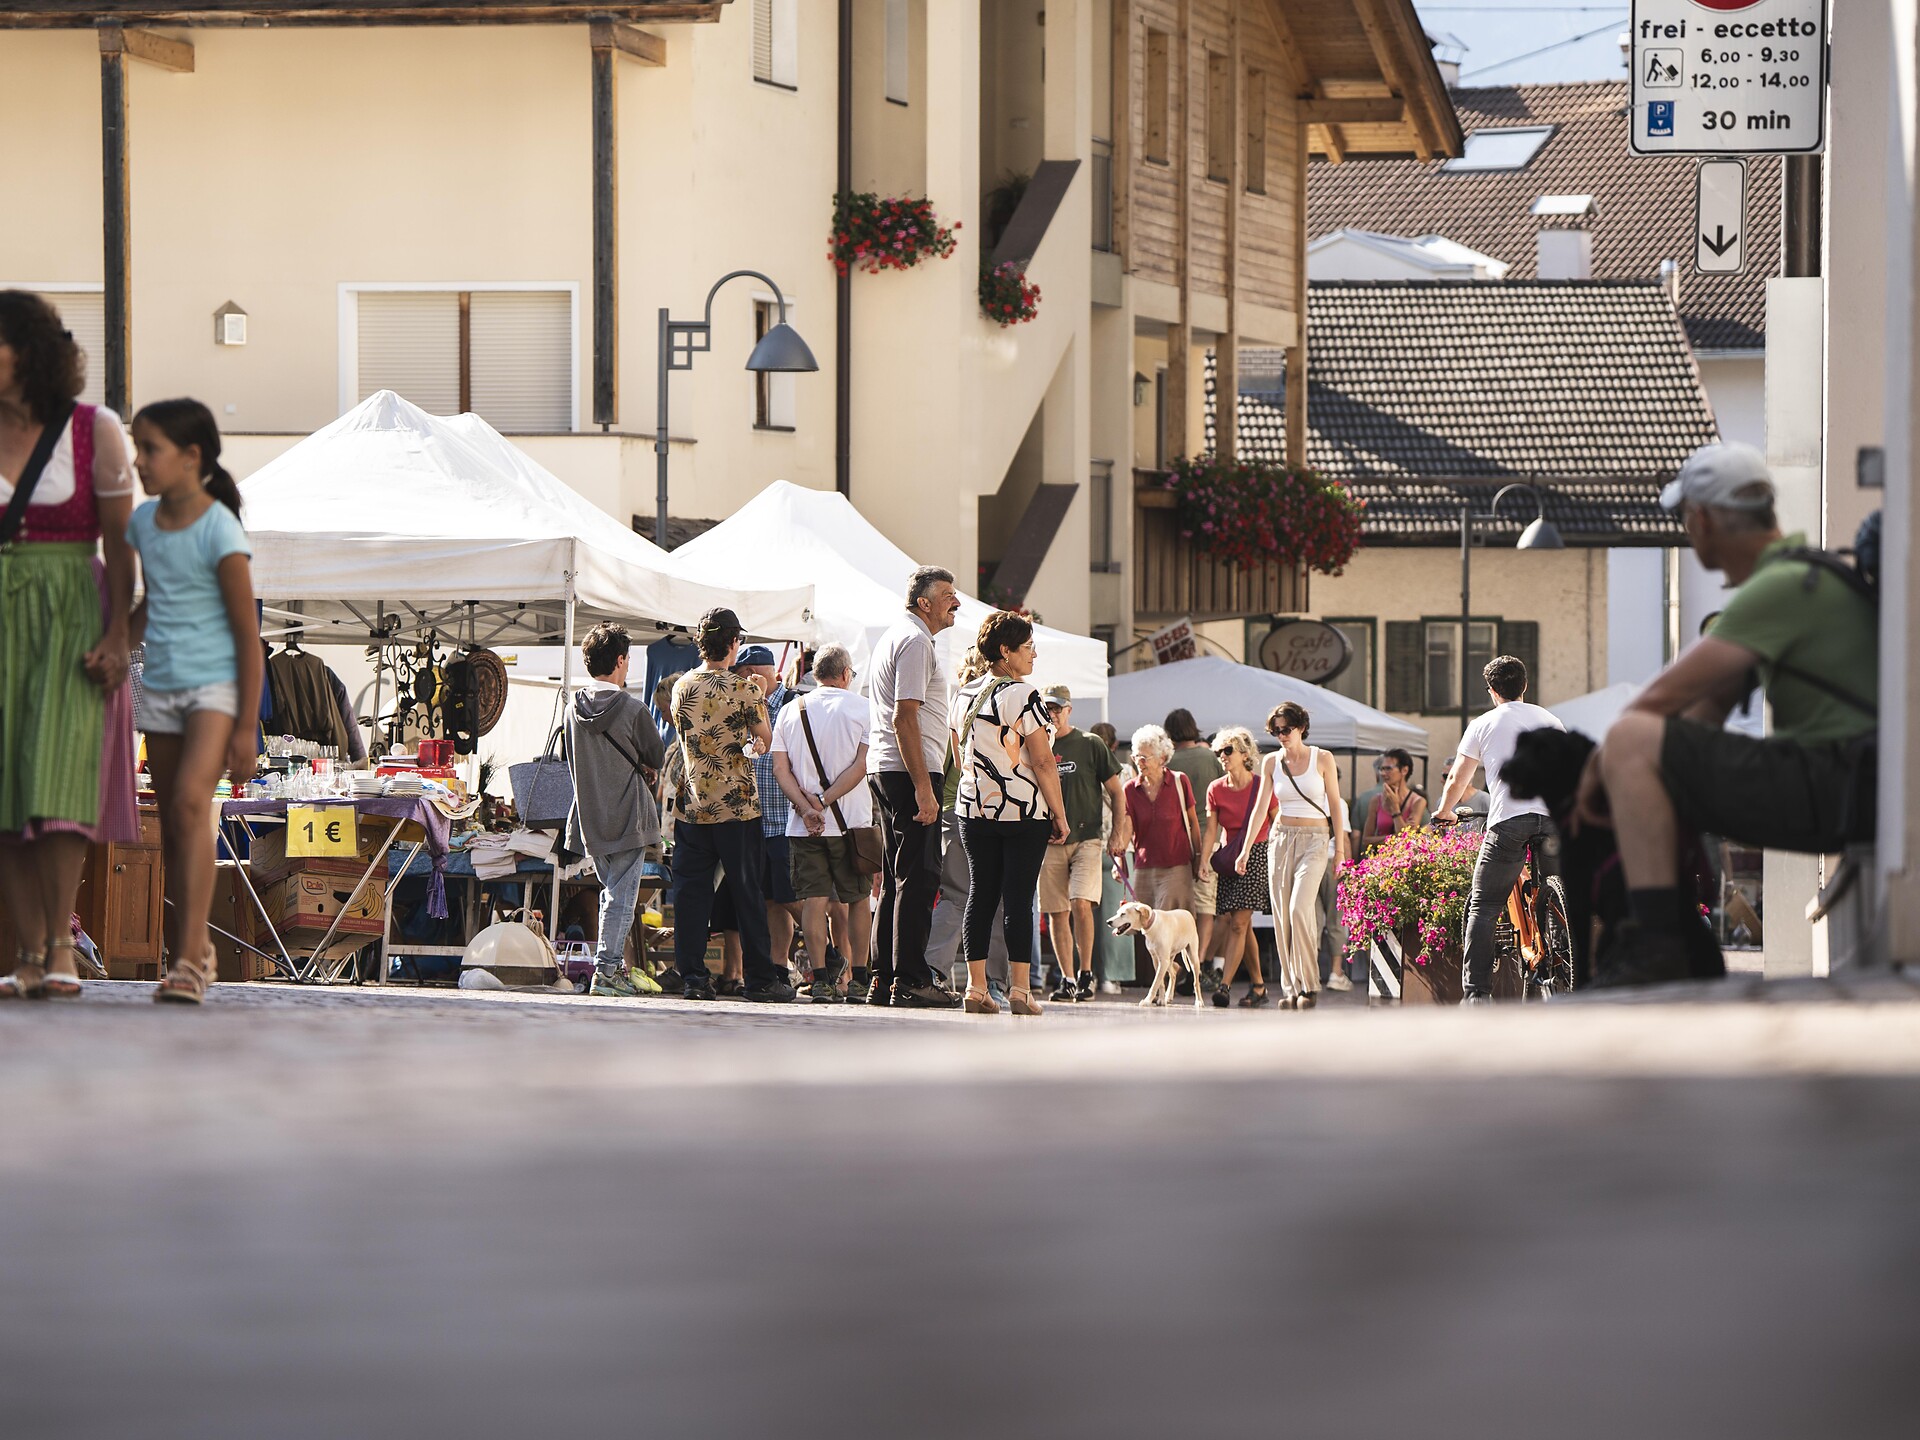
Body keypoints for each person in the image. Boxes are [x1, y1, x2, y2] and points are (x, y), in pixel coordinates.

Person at [1576, 443, 1880, 986]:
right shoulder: (1800, 576)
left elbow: (1648, 708)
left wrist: (1590, 788)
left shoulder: (1777, 588)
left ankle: (1657, 944)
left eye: (1685, 519)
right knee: (1647, 747)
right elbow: (1700, 716)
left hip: (1840, 786)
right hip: (1853, 784)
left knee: (1630, 737)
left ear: (1703, 519)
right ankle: (1672, 934)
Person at [0, 291, 137, 1000]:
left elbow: (122, 543)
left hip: (71, 613)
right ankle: (26, 952)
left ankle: (60, 943)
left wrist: (119, 634)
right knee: (4, 786)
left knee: (60, 779)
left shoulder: (94, 429)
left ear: (28, 353)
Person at [118, 400, 261, 1004]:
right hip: (161, 686)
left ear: (190, 456)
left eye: (149, 449)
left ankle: (189, 957)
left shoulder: (219, 528)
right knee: (175, 827)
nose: (138, 461)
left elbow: (246, 635)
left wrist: (246, 727)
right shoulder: (143, 523)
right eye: (136, 448)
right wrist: (116, 645)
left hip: (214, 690)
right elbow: (152, 601)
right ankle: (193, 952)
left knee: (188, 804)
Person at [667, 607, 794, 1003]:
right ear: (734, 643)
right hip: (737, 805)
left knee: (691, 895)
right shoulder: (745, 689)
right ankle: (760, 980)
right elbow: (764, 740)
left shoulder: (682, 686)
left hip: (693, 803)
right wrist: (756, 695)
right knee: (747, 892)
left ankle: (693, 977)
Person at [955, 611, 1070, 1015]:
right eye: (1028, 647)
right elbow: (1043, 761)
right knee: (1019, 899)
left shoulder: (963, 694)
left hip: (974, 808)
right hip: (1023, 809)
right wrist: (1059, 814)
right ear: (1006, 651)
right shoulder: (1023, 695)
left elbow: (958, 756)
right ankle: (1020, 990)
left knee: (980, 894)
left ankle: (976, 988)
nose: (1034, 655)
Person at [1435, 655, 1565, 1003]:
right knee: (1558, 898)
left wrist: (1445, 811)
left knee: (1485, 904)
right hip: (1554, 819)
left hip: (1510, 819)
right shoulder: (1551, 720)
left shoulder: (1483, 723)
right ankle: (1561, 963)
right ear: (1525, 686)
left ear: (1492, 691)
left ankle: (1476, 994)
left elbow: (1458, 777)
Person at [866, 565, 964, 1008]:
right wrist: (924, 786)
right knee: (919, 878)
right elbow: (903, 717)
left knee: (898, 878)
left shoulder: (900, 636)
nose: (955, 602)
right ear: (923, 603)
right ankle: (909, 979)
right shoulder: (915, 641)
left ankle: (885, 979)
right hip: (909, 770)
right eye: (947, 595)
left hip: (891, 768)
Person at [562, 622, 666, 999]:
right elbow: (656, 755)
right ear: (620, 661)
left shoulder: (571, 710)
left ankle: (610, 968)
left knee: (611, 893)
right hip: (629, 814)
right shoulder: (633, 709)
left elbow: (570, 761)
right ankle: (606, 971)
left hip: (590, 816)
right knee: (620, 897)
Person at [770, 644, 874, 1004]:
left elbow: (780, 769)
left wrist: (806, 808)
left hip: (804, 827)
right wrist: (826, 802)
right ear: (845, 674)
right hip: (852, 824)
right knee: (858, 899)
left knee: (813, 902)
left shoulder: (789, 711)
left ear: (816, 674)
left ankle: (821, 981)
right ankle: (859, 979)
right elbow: (862, 766)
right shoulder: (862, 708)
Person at [1240, 702, 1347, 1010]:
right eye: (1276, 731)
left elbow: (1335, 805)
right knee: (1282, 915)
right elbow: (1260, 808)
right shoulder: (1271, 762)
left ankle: (1309, 984)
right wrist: (1245, 849)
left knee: (1300, 909)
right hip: (1281, 839)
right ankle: (1291, 988)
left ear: (1301, 727)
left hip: (1315, 840)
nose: (1281, 735)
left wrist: (1339, 851)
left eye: (1286, 729)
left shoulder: (1322, 758)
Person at [927, 645, 1012, 1002]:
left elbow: (943, 766)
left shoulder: (955, 708)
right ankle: (995, 984)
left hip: (955, 810)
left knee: (956, 895)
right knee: (997, 901)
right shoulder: (1008, 704)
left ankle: (933, 970)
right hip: (999, 811)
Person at [1039, 685, 1130, 1003]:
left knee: (1081, 903)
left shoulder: (1090, 743)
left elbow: (1117, 792)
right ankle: (1067, 978)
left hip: (1087, 838)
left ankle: (1086, 973)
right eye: (1047, 708)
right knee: (1057, 911)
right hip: (1049, 840)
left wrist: (1117, 834)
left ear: (1069, 710)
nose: (1052, 714)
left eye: (1057, 708)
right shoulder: (1035, 743)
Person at [736, 643, 805, 977]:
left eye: (742, 676)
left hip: (786, 820)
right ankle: (779, 964)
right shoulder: (746, 705)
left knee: (789, 896)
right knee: (770, 899)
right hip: (753, 821)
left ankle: (830, 951)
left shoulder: (793, 704)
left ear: (753, 674)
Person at [1201, 726, 1273, 1008]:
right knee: (1243, 924)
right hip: (1229, 858)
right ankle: (1259, 986)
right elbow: (1211, 830)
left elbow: (1277, 821)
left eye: (1228, 750)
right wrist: (1204, 861)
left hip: (1257, 854)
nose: (1223, 755)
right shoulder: (1216, 788)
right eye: (1219, 751)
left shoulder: (1262, 785)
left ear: (1245, 754)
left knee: (1239, 923)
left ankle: (1225, 986)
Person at [1164, 707, 1224, 986]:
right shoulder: (1210, 757)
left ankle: (1176, 963)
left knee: (1177, 906)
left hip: (1176, 841)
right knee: (1205, 905)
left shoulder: (1167, 761)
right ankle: (1196, 965)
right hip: (1210, 838)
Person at [1120, 724, 1202, 916]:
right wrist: (1119, 856)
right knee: (1143, 923)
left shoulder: (1179, 781)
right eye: (1136, 757)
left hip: (1176, 866)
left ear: (1162, 758)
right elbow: (1127, 829)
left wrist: (1198, 858)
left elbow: (1192, 823)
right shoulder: (1130, 789)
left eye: (1144, 758)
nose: (1139, 762)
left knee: (1169, 923)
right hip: (1144, 867)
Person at [1361, 748, 1426, 853]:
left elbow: (1407, 841)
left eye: (1388, 769)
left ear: (1404, 770)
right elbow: (1366, 840)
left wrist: (1395, 809)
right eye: (1381, 769)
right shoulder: (1376, 801)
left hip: (1404, 860)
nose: (1383, 773)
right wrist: (1395, 836)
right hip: (1381, 859)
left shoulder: (1417, 802)